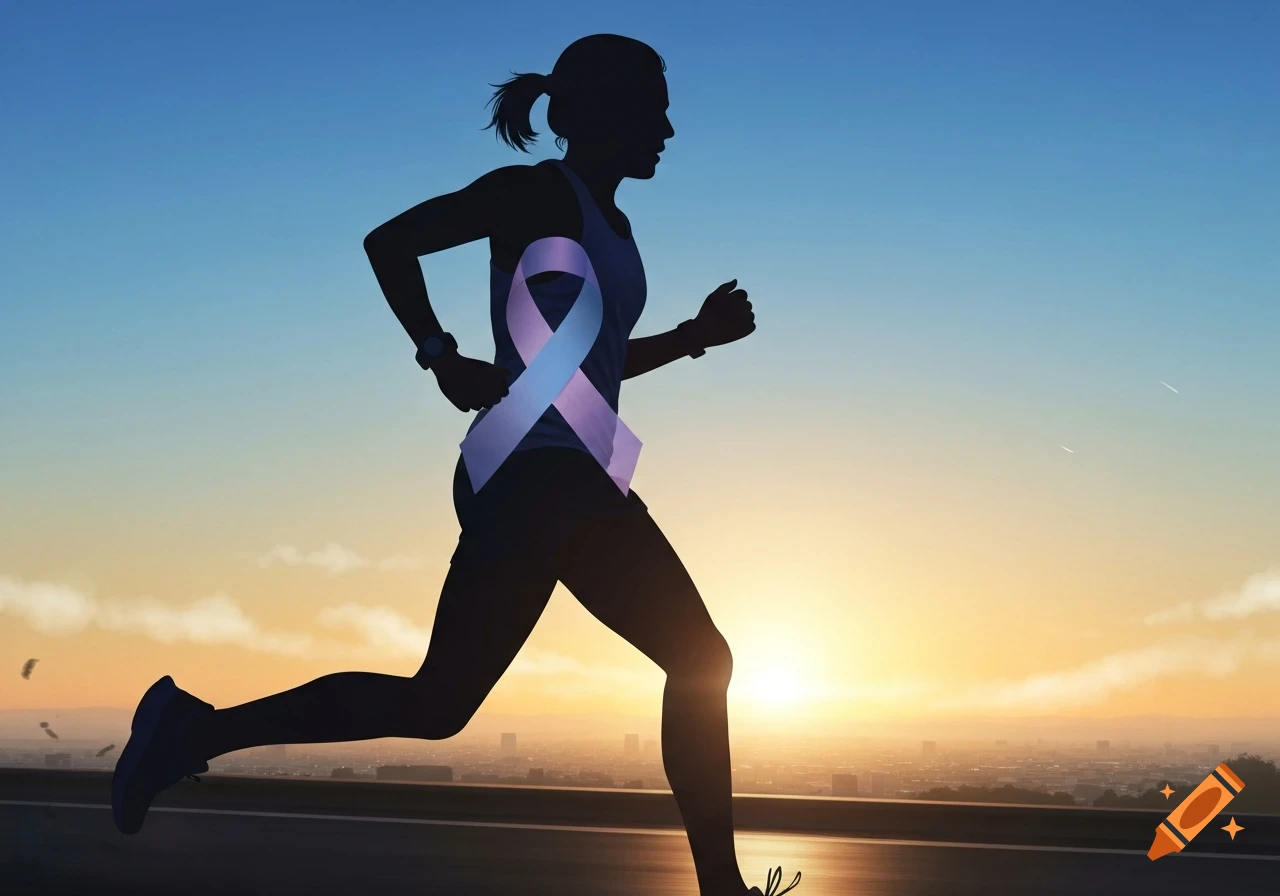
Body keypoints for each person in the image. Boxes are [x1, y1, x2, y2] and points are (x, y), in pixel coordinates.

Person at [111, 33, 799, 896]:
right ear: (604, 111)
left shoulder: (613, 226)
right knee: (701, 660)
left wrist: (694, 337)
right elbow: (389, 242)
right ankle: (721, 890)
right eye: (654, 110)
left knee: (438, 704)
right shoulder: (534, 194)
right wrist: (439, 355)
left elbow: (595, 367)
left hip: (547, 474)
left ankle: (190, 731)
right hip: (542, 475)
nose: (668, 129)